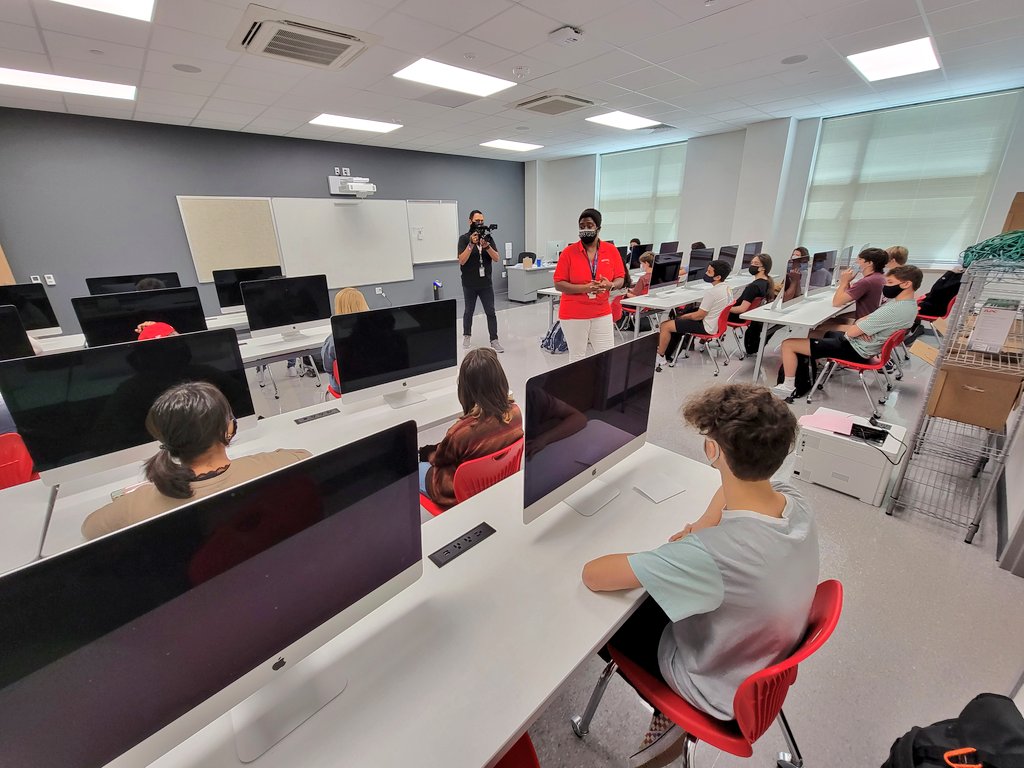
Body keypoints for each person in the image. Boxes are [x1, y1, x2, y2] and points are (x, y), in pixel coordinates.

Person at [581, 384, 818, 767]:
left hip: (711, 686)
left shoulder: (714, 554)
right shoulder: (796, 501)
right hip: (755, 656)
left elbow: (595, 575)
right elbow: (734, 495)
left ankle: (671, 718)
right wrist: (704, 524)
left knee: (606, 621)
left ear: (712, 450)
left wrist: (684, 549)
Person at [82, 381, 310, 539]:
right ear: (229, 427)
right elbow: (305, 456)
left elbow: (89, 528)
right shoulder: (277, 464)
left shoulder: (136, 505)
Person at [773, 265, 923, 399]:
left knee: (788, 344)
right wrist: (861, 326)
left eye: (890, 283)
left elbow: (850, 333)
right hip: (867, 347)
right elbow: (863, 320)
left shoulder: (893, 309)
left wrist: (858, 328)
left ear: (906, 284)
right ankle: (811, 369)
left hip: (856, 349)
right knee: (823, 332)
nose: (886, 286)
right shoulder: (909, 306)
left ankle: (788, 386)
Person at [419, 348, 523, 510]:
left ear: (465, 388)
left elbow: (438, 460)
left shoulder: (461, 432)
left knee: (415, 467)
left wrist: (426, 453)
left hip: (455, 491)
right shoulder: (516, 413)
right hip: (497, 482)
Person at [553, 208, 625, 362]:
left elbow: (621, 278)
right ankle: (578, 386)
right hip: (574, 313)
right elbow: (559, 284)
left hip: (601, 311)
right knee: (578, 358)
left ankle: (602, 386)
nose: (585, 229)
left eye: (589, 225)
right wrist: (585, 288)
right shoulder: (568, 252)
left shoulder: (611, 251)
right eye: (582, 226)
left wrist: (610, 285)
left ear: (598, 228)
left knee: (607, 356)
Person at [655, 259, 732, 372]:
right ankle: (669, 352)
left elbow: (698, 316)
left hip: (707, 327)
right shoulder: (727, 288)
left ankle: (660, 357)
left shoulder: (712, 293)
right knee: (680, 319)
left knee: (665, 325)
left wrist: (683, 317)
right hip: (715, 325)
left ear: (717, 277)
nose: (705, 273)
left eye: (709, 272)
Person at [457, 209, 502, 353]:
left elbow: (496, 258)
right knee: (468, 311)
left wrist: (486, 246)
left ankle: (494, 340)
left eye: (482, 220)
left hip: (485, 284)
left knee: (491, 311)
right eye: (477, 221)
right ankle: (467, 335)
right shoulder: (464, 239)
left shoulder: (487, 238)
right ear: (470, 221)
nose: (480, 223)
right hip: (469, 284)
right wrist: (471, 244)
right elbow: (462, 261)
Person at [320, 287, 371, 390]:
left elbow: (328, 368)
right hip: (375, 380)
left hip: (345, 386)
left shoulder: (333, 340)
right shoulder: (377, 331)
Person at [832, 247, 888, 319]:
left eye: (860, 259)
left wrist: (843, 282)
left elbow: (836, 302)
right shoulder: (880, 277)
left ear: (869, 263)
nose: (856, 262)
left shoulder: (867, 282)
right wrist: (847, 281)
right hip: (871, 321)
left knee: (821, 327)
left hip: (864, 326)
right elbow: (847, 299)